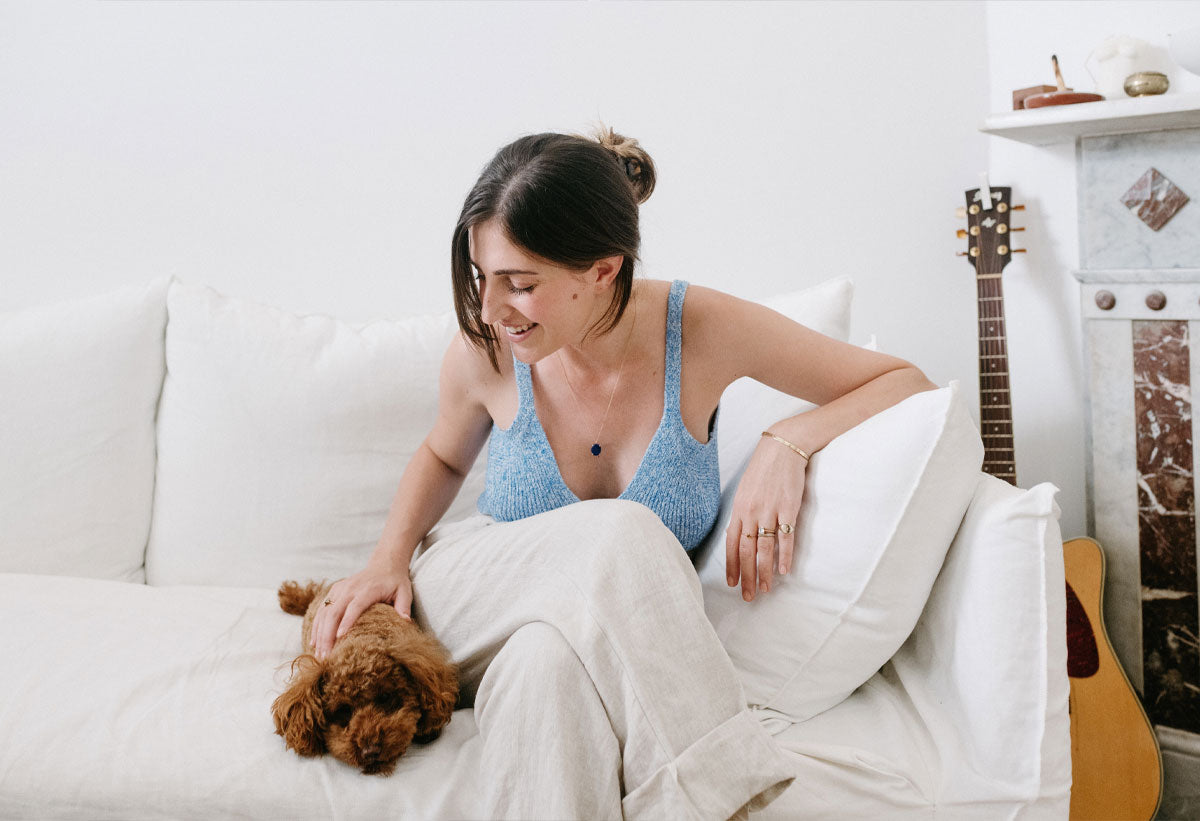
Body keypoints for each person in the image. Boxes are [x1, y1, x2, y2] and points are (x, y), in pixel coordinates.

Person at [309, 126, 935, 818]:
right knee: (625, 530)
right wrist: (387, 555)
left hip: (566, 639)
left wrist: (789, 440)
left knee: (547, 671)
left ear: (602, 269)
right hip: (468, 595)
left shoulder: (699, 327)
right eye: (484, 278)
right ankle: (723, 799)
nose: (489, 308)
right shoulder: (486, 347)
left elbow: (903, 381)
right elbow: (443, 454)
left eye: (520, 284)